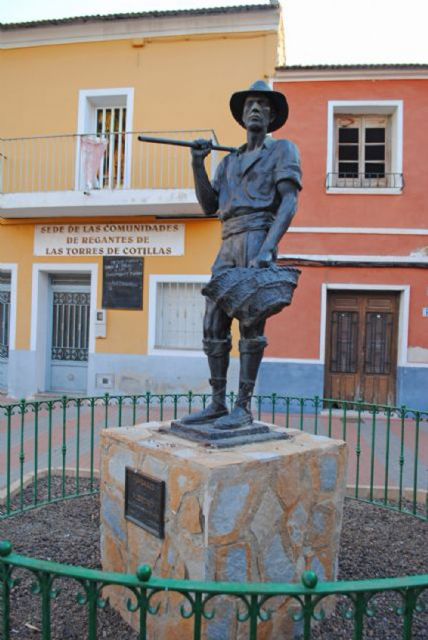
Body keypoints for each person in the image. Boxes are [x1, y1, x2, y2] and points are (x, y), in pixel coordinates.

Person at [181, 80, 302, 429]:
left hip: (256, 237)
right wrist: (197, 164)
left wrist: (267, 249)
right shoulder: (229, 161)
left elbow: (290, 202)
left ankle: (243, 406)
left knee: (251, 324)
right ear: (241, 114)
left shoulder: (283, 150)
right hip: (227, 243)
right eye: (250, 104)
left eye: (262, 105)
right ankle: (218, 403)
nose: (254, 109)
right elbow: (208, 206)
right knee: (212, 324)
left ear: (272, 115)